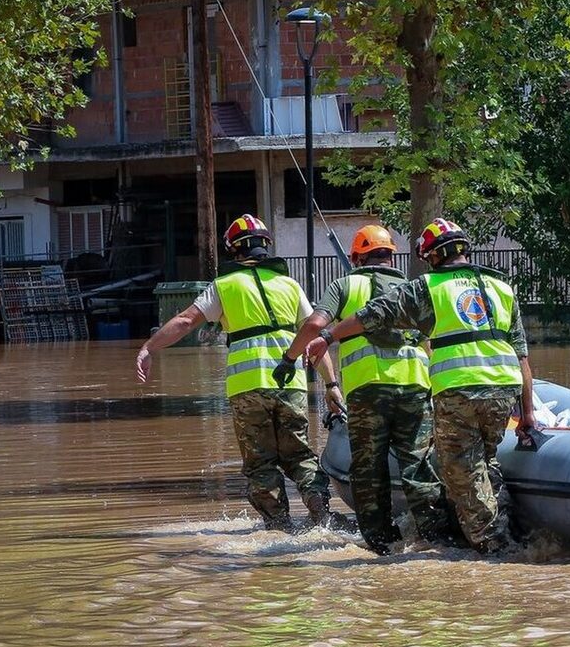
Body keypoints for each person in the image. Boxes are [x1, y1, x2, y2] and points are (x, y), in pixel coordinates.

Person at [304, 218, 534, 554]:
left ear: (430, 256)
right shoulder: (502, 287)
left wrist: (327, 336)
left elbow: (375, 313)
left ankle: (494, 547)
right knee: (484, 461)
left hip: (458, 390)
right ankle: (484, 531)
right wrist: (527, 413)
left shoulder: (428, 287)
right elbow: (523, 356)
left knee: (461, 470)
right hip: (503, 390)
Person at [135, 214, 348, 531]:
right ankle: (321, 515)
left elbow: (184, 322)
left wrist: (149, 347)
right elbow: (313, 337)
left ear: (233, 250)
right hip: (291, 385)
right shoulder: (289, 285)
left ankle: (280, 527)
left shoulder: (224, 286)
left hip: (247, 389)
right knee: (300, 454)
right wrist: (331, 384)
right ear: (266, 246)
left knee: (261, 461)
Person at [282, 224, 452, 554]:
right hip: (415, 385)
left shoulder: (345, 284)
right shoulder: (415, 287)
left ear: (356, 257)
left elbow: (316, 324)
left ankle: (381, 545)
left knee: (367, 470)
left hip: (368, 389)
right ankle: (435, 539)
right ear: (391, 255)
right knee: (417, 464)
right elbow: (432, 339)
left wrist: (290, 358)